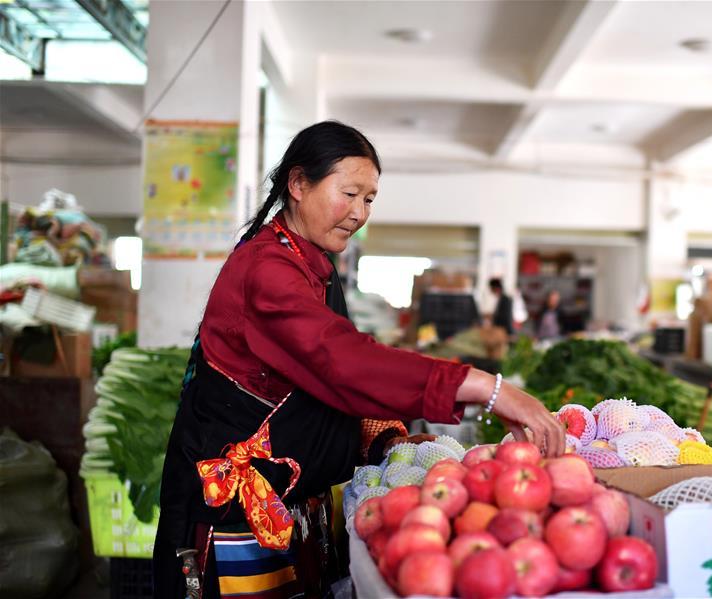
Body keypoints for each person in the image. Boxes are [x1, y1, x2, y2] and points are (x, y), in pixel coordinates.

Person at [153, 121, 564, 599]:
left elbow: (321, 381)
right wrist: (488, 388)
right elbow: (341, 359)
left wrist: (384, 439)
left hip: (287, 504)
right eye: (348, 193)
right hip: (233, 515)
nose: (358, 213)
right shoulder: (267, 269)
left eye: (368, 199)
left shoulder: (309, 262)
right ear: (299, 184)